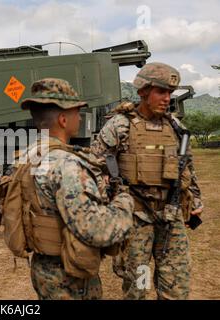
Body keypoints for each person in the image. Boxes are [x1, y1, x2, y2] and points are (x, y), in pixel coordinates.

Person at [91, 62, 203, 300]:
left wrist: (195, 199)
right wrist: (109, 203)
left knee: (177, 285)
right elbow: (97, 165)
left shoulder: (177, 129)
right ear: (143, 91)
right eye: (161, 91)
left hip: (170, 218)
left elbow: (187, 166)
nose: (167, 98)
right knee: (138, 288)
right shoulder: (120, 126)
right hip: (136, 219)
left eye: (170, 93)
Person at [15, 78, 134, 299]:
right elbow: (95, 230)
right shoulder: (66, 164)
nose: (79, 117)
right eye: (77, 112)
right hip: (69, 274)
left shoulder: (29, 155)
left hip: (43, 268)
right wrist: (124, 203)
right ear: (62, 119)